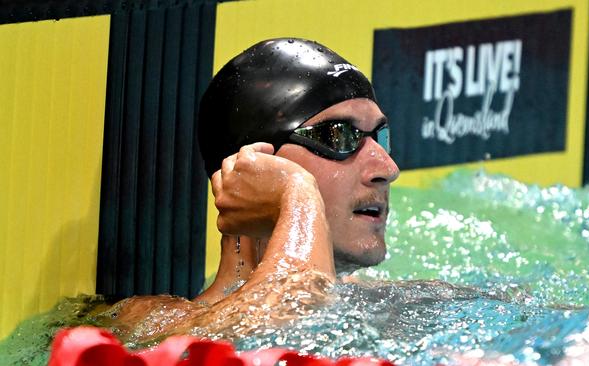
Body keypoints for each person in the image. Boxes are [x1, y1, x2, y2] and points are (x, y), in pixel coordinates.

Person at [102, 38, 399, 343]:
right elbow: (298, 326)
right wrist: (297, 194)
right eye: (338, 136)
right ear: (253, 165)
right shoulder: (147, 325)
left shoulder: (401, 306)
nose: (387, 169)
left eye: (381, 136)